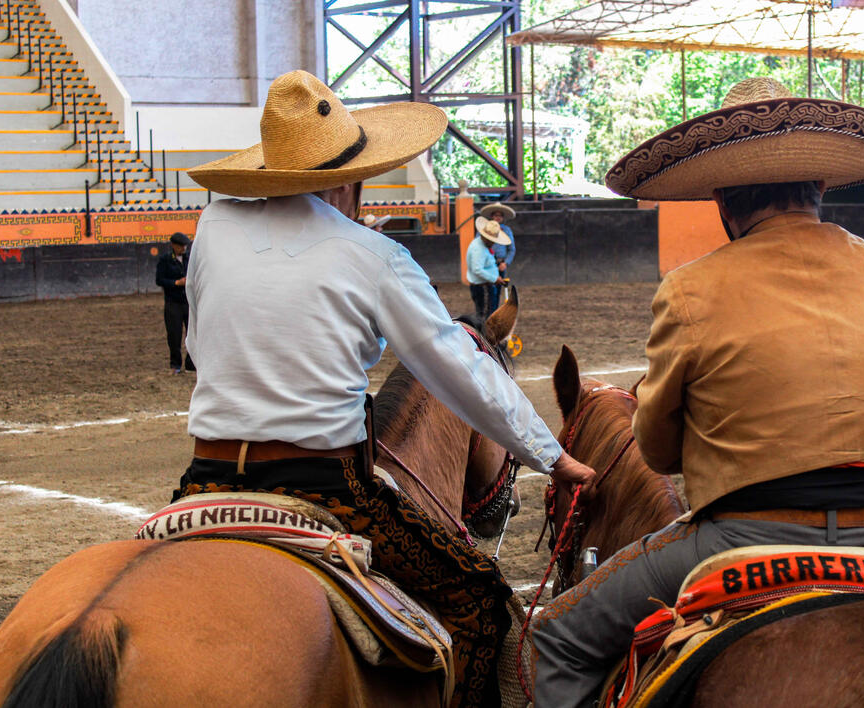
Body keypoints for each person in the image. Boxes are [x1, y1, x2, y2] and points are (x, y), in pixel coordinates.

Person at [182, 70, 593, 708]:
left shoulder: (213, 225)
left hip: (204, 479)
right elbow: (459, 369)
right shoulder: (371, 253)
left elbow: (198, 343)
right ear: (350, 179)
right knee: (481, 604)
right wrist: (553, 455)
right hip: (324, 487)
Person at [530, 77, 864, 706]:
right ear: (820, 185)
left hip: (747, 542)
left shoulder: (692, 287)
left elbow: (658, 453)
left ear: (721, 198)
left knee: (557, 637)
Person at [154, 232, 195, 374]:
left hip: (188, 301)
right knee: (174, 335)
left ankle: (191, 363)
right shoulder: (165, 260)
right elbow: (159, 280)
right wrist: (176, 283)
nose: (184, 249)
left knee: (192, 333)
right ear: (173, 245)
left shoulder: (190, 258)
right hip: (173, 302)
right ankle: (175, 364)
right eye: (181, 246)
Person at [466, 215, 509, 321]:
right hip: (482, 287)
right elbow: (477, 269)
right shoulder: (478, 249)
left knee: (487, 314)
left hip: (485, 285)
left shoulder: (481, 245)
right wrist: (495, 278)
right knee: (485, 317)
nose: (494, 242)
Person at [480, 202, 516, 305]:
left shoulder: (507, 230)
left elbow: (511, 249)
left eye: (500, 215)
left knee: (497, 291)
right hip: (487, 263)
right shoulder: (484, 229)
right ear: (492, 216)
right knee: (489, 290)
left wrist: (506, 263)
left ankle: (493, 311)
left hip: (500, 263)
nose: (498, 218)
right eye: (496, 215)